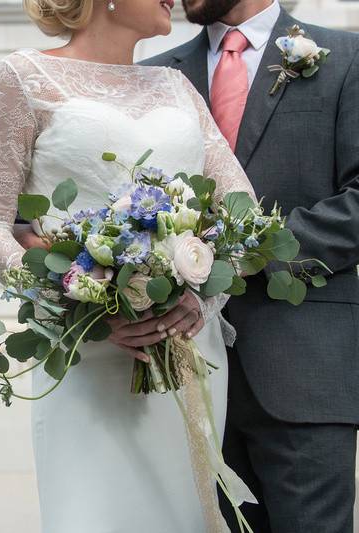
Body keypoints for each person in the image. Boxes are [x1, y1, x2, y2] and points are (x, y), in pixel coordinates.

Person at [0, 0, 256, 530]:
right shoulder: (23, 77)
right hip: (88, 356)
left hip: (189, 350)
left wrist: (201, 298)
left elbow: (244, 209)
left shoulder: (176, 87)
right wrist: (83, 309)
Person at [140, 1, 359, 531]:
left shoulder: (348, 59)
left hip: (305, 374)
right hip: (181, 381)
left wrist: (240, 252)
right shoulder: (152, 76)